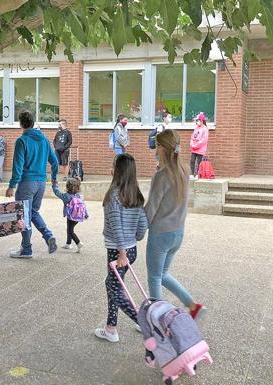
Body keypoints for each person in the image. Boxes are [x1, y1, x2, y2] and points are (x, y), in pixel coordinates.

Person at [147, 129, 206, 320]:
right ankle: (192, 305)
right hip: (177, 233)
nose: (155, 150)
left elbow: (151, 209)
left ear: (163, 148)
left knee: (155, 277)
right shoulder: (184, 172)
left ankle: (157, 319)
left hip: (160, 234)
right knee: (163, 274)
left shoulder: (161, 176)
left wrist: (136, 229)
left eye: (157, 146)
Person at [95, 153, 148, 343]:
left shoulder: (113, 196)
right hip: (131, 249)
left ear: (116, 171)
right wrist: (134, 239)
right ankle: (111, 328)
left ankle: (144, 322)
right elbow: (143, 225)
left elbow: (116, 227)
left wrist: (121, 252)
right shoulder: (136, 194)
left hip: (118, 252)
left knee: (113, 287)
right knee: (114, 285)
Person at [5, 110, 59, 259]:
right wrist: (54, 179)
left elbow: (18, 165)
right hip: (41, 183)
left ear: (20, 123)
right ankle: (48, 236)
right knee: (33, 212)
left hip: (26, 184)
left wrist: (12, 185)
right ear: (33, 122)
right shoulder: (44, 140)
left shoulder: (22, 141)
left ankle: (26, 249)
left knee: (23, 215)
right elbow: (54, 161)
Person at [52, 177, 88, 252]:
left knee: (70, 231)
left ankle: (78, 243)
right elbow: (83, 205)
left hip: (71, 216)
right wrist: (86, 214)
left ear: (67, 186)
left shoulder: (66, 196)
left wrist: (54, 185)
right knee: (69, 229)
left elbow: (57, 192)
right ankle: (68, 244)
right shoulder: (79, 195)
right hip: (78, 216)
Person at [189, 112, 209, 180]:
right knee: (192, 160)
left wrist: (196, 145)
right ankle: (191, 174)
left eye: (197, 120)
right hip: (194, 148)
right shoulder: (196, 128)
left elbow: (204, 140)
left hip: (200, 149)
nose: (196, 122)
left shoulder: (205, 129)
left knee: (199, 162)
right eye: (196, 121)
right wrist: (192, 144)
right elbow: (192, 137)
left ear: (201, 120)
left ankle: (198, 174)